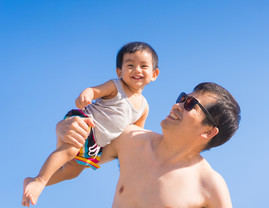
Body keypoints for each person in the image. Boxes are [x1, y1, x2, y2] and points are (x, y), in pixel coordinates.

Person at [52, 82, 240, 207]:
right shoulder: (129, 138)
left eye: (190, 104)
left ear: (208, 131)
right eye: (182, 98)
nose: (178, 105)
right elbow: (68, 166)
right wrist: (63, 131)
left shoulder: (210, 185)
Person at [22, 42, 160, 206]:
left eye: (143, 66)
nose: (137, 70)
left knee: (73, 171)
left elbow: (136, 131)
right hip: (84, 123)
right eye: (130, 65)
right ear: (119, 71)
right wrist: (86, 95)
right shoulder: (115, 86)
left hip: (96, 143)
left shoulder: (144, 107)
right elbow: (94, 91)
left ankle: (33, 181)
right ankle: (39, 180)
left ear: (154, 74)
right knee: (70, 150)